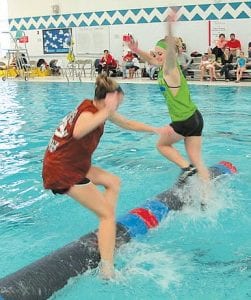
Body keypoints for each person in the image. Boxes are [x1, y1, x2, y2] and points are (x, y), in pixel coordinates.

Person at [42, 74, 167, 279]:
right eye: (116, 104)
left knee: (113, 182)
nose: (116, 110)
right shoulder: (89, 114)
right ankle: (107, 269)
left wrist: (155, 129)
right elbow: (79, 132)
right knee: (107, 214)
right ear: (108, 99)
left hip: (73, 163)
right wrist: (108, 109)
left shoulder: (94, 107)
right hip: (63, 170)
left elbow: (126, 123)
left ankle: (106, 233)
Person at [126, 13, 209, 185]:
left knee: (162, 146)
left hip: (183, 121)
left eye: (160, 53)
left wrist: (169, 27)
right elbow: (150, 59)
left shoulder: (171, 69)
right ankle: (206, 198)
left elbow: (168, 51)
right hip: (195, 117)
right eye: (155, 53)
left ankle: (186, 168)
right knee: (198, 161)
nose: (156, 56)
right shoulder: (165, 66)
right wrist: (135, 50)